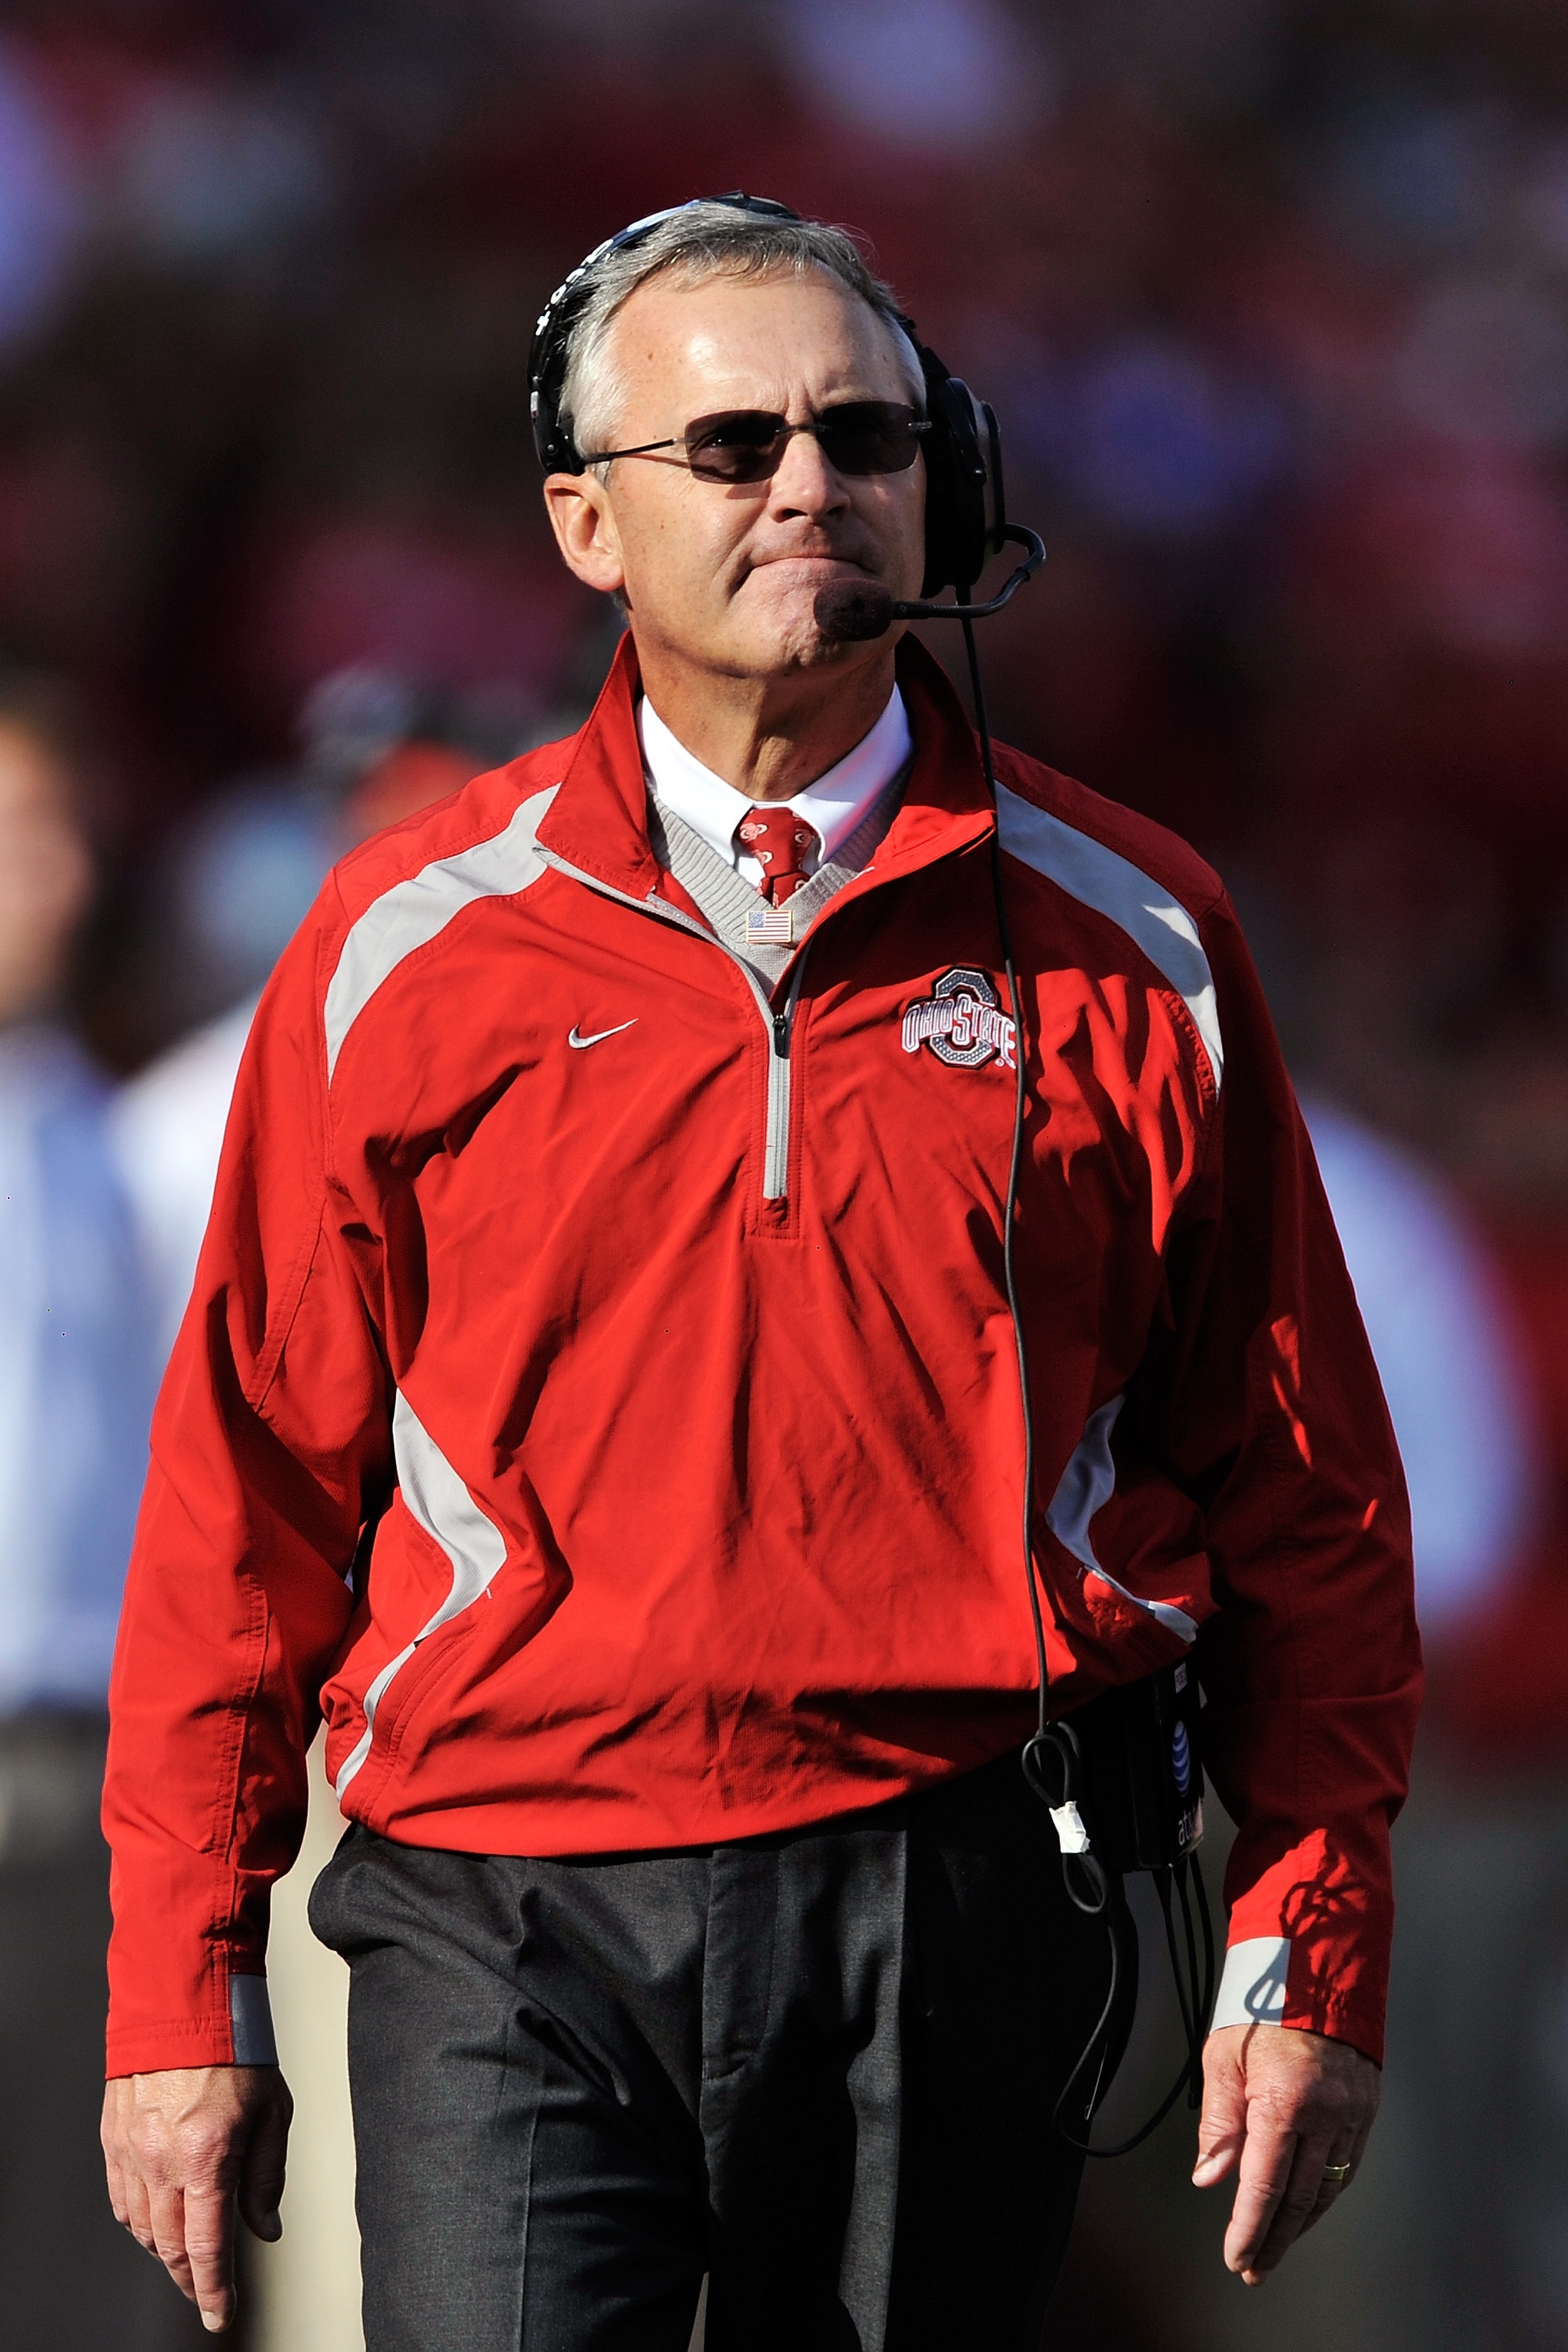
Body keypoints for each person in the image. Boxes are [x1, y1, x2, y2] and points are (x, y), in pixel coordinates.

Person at [100, 198, 1421, 2350]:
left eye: (869, 436)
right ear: (584, 527)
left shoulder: (1140, 937)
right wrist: (180, 1980)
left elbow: (1308, 1496)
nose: (814, 482)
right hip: (499, 1905)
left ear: (948, 481)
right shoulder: (404, 946)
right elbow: (240, 1510)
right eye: (732, 447)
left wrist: (1311, 1941)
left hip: (972, 1879)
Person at [0, 677, 179, 2347]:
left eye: (59, 836)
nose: (51, 875)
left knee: (87, 2274)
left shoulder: (89, 1131)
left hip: (80, 1798)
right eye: (11, 839)